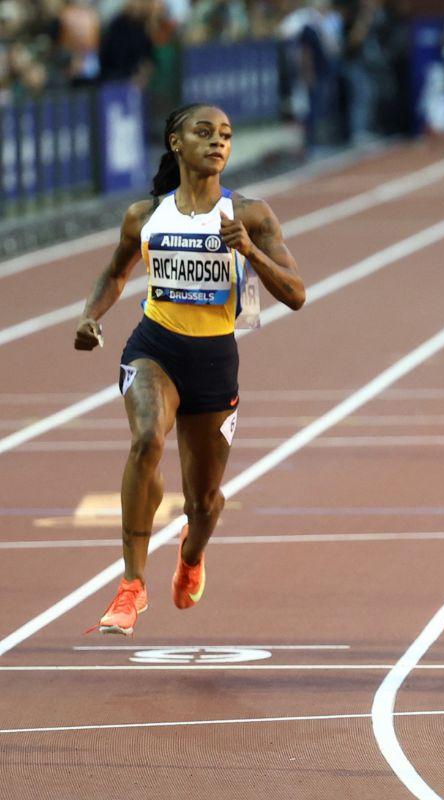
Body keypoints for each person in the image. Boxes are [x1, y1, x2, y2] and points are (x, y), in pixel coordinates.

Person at [75, 103, 306, 635]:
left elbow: (296, 293)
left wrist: (250, 251)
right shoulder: (144, 216)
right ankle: (132, 585)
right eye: (204, 133)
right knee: (145, 441)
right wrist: (90, 316)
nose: (218, 142)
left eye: (225, 135)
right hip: (154, 348)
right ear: (176, 143)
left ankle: (192, 554)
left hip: (214, 362)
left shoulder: (250, 215)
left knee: (203, 501)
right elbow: (114, 274)